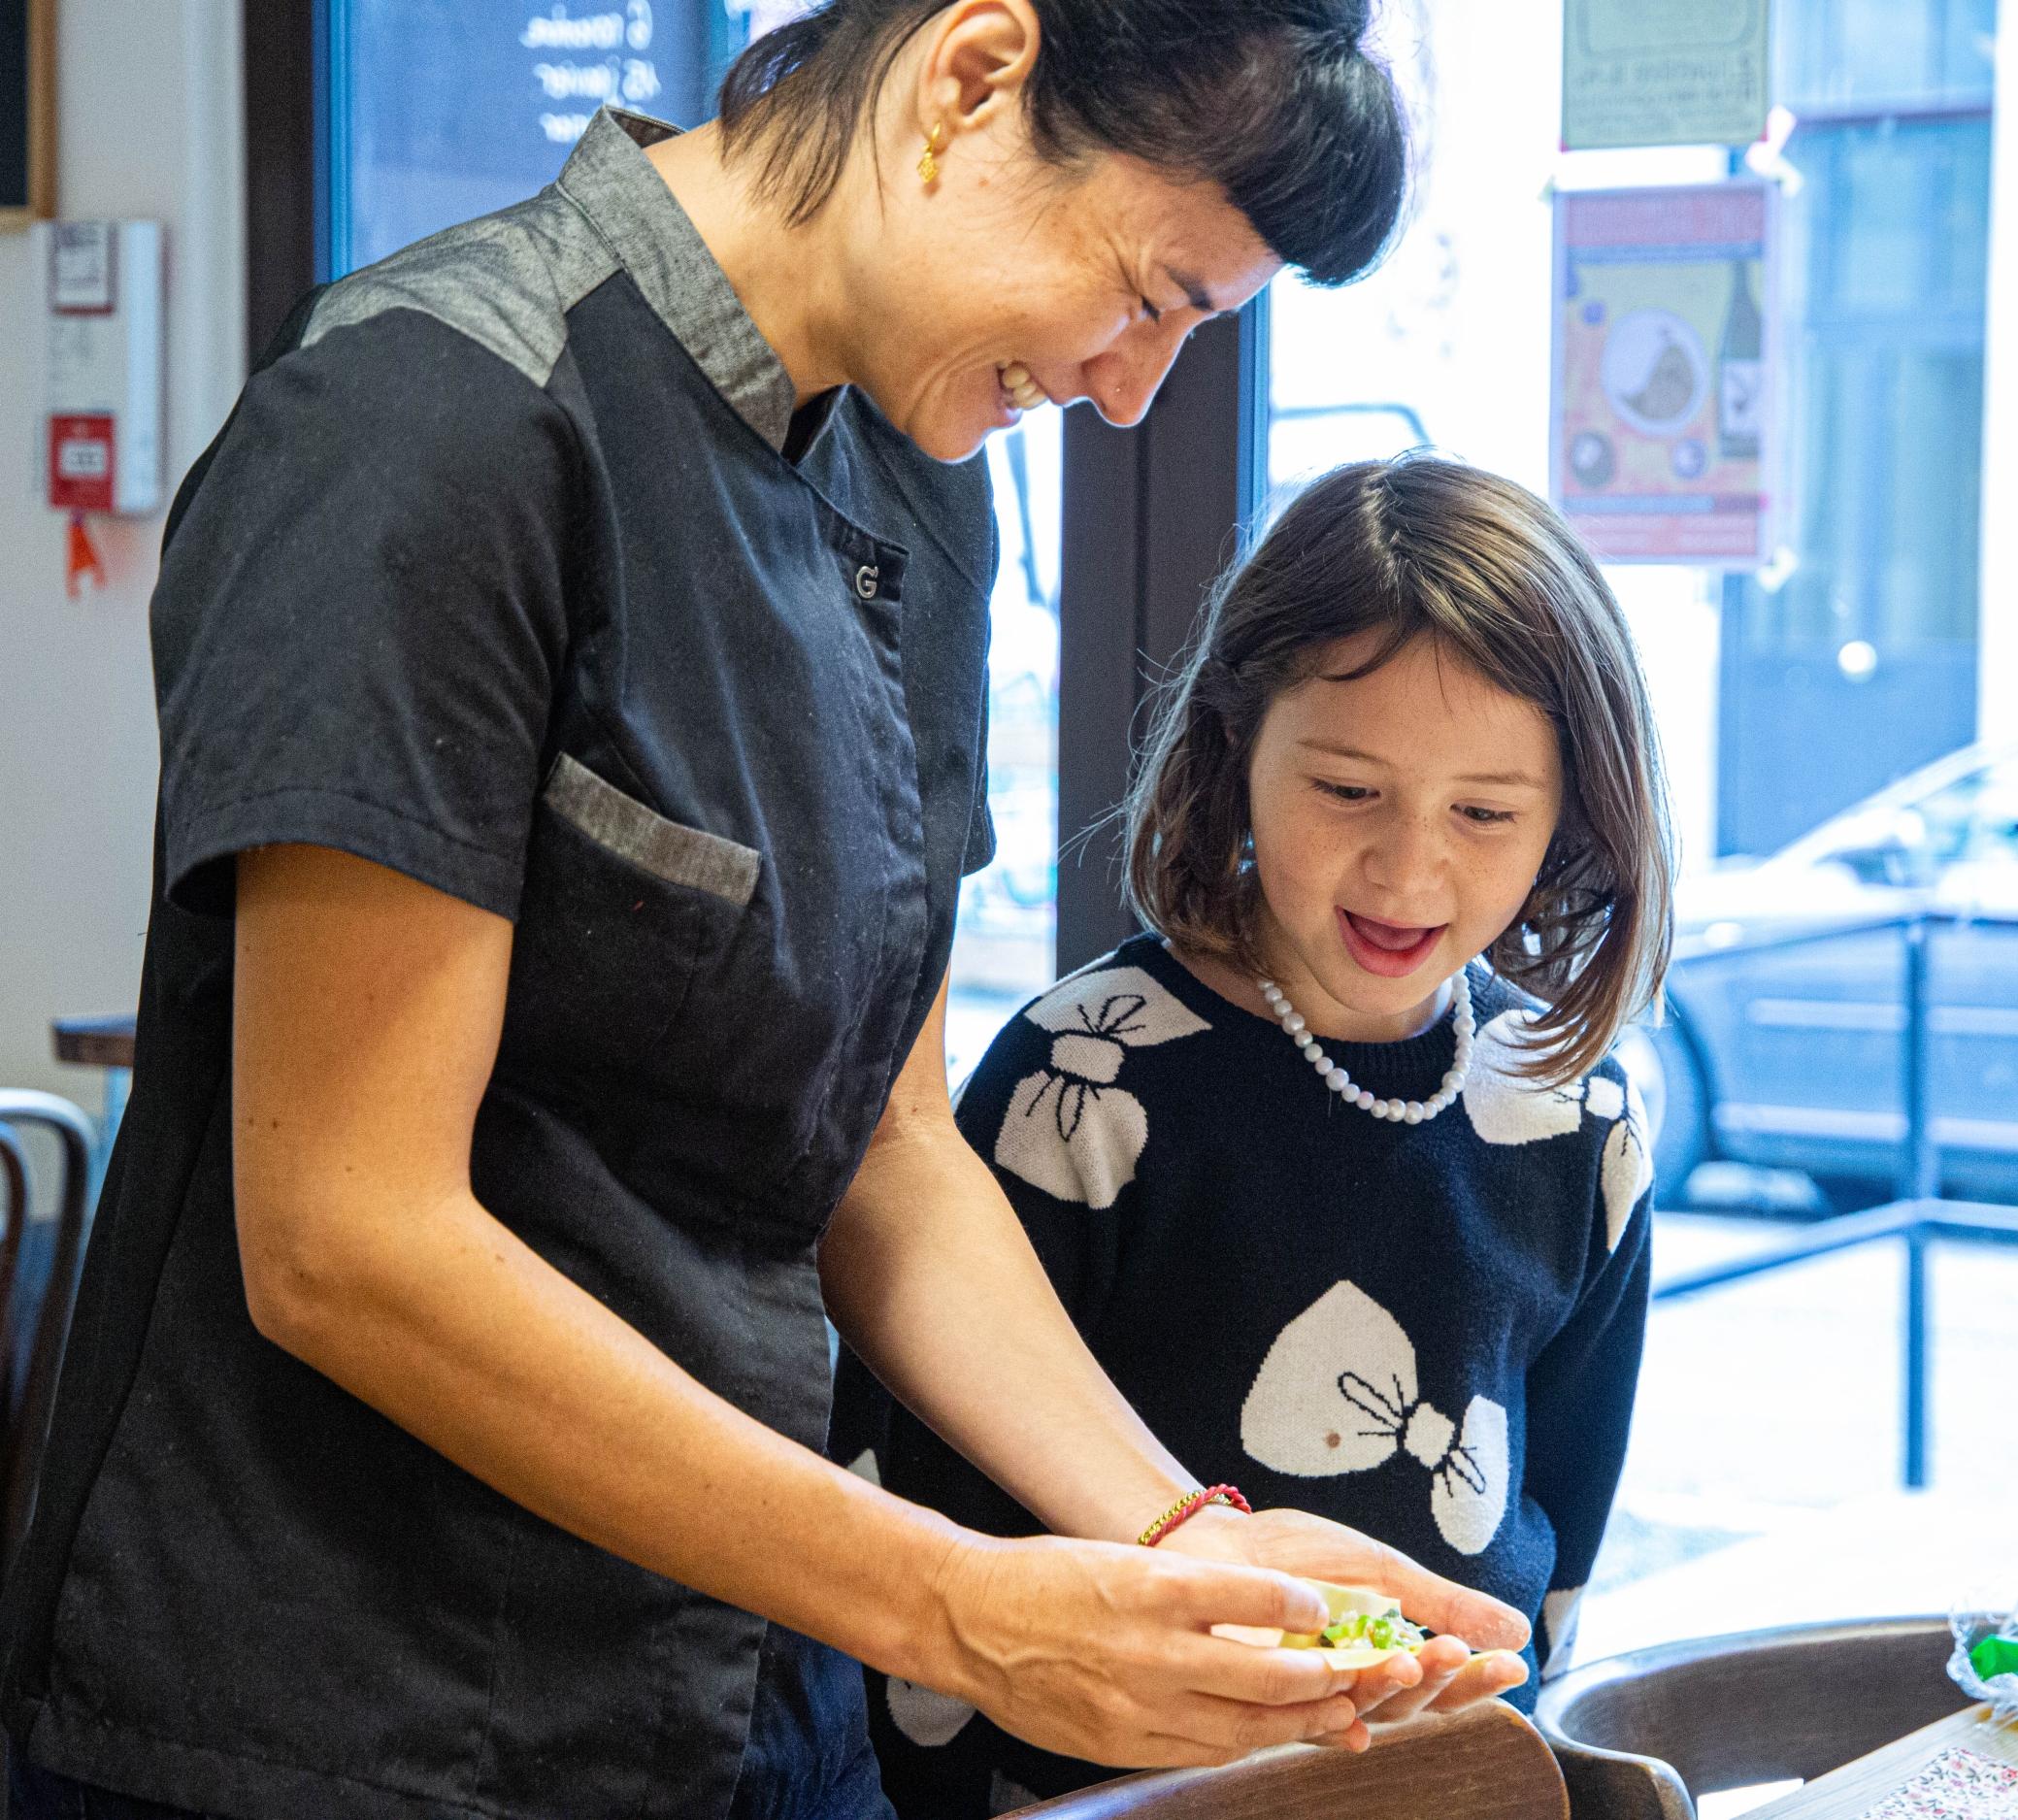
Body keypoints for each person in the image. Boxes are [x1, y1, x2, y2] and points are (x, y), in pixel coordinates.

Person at [0, 8, 1531, 1819]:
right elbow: (346, 1234)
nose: (1132, 391)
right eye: (1146, 294)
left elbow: (882, 1148)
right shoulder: (440, 419)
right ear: (970, 76)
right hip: (342, 1718)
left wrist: (1187, 1537)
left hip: (736, 1695)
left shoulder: (916, 487)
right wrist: (957, 1607)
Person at [835, 453, 1673, 1814]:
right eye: (1347, 791)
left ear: (1574, 813)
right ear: (1236, 747)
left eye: (1485, 814)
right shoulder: (1084, 1081)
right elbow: (926, 1508)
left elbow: (1563, 1520)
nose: (1409, 870)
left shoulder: (1579, 1111)